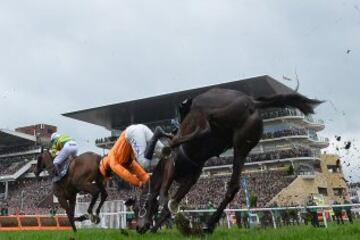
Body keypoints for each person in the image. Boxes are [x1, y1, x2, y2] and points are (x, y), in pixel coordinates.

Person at [100, 124, 171, 188]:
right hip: (141, 128)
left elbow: (125, 174)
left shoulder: (112, 162)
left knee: (144, 163)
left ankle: (157, 133)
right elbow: (137, 170)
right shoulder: (125, 161)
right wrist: (147, 180)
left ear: (108, 170)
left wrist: (138, 184)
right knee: (164, 151)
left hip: (131, 134)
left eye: (110, 174)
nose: (112, 174)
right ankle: (174, 144)